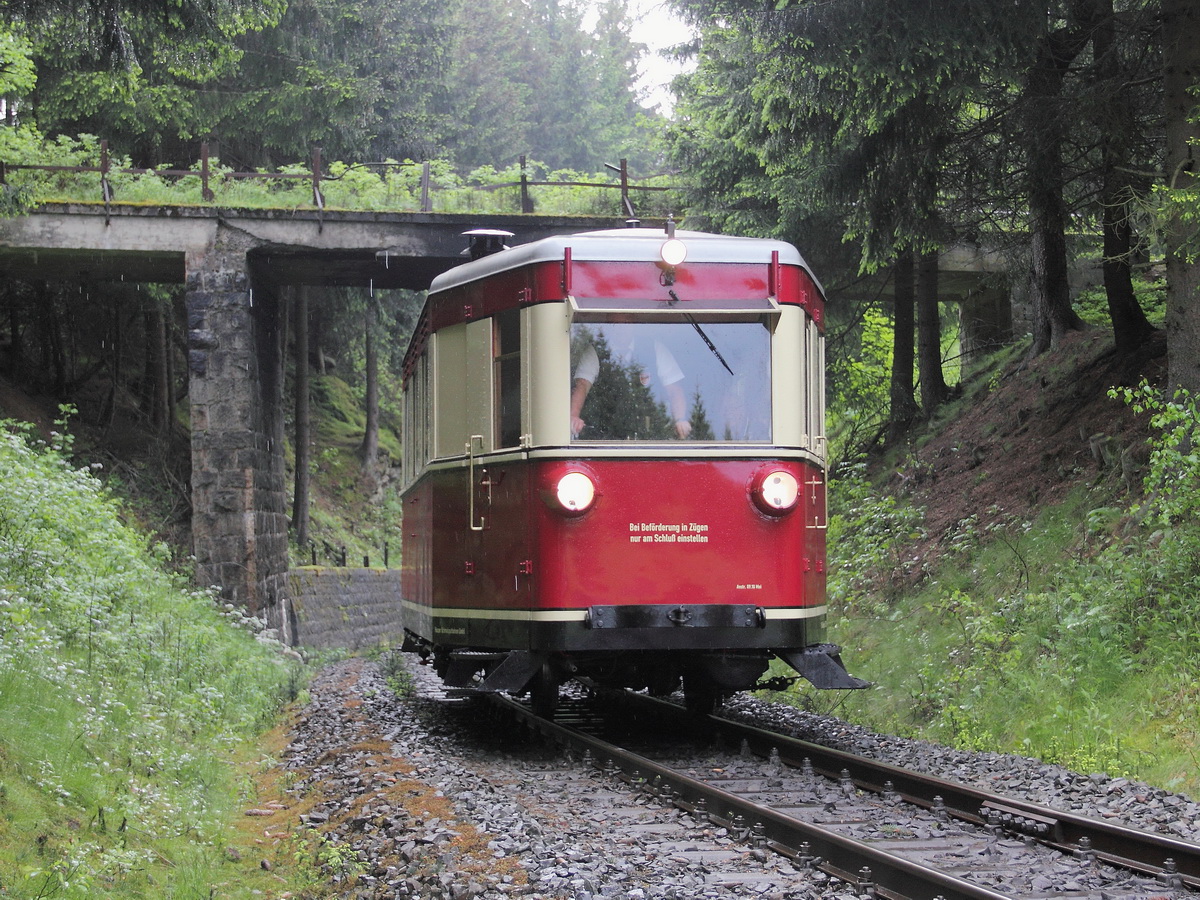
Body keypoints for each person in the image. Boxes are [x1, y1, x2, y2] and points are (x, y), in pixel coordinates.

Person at [570, 323, 692, 439]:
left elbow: (674, 390)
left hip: (649, 436)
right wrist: (574, 416)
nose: (621, 329)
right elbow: (582, 385)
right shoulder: (596, 350)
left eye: (626, 324)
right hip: (605, 436)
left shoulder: (654, 348)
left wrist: (680, 420)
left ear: (633, 325)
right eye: (616, 325)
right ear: (609, 327)